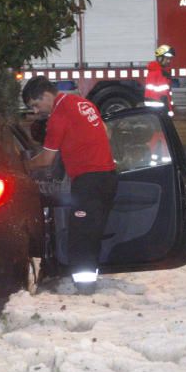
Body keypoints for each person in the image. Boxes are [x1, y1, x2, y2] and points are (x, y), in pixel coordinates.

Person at [22, 76, 117, 294]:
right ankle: (89, 284)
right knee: (93, 233)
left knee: (80, 237)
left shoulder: (59, 115)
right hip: (109, 178)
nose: (36, 112)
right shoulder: (83, 103)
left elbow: (46, 160)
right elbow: (106, 132)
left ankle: (84, 290)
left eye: (36, 105)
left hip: (88, 182)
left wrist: (23, 166)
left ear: (46, 95)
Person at [144, 44, 175, 116]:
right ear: (160, 58)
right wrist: (169, 110)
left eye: (170, 59)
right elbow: (165, 94)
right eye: (167, 58)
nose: (169, 61)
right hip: (160, 108)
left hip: (155, 108)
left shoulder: (154, 71)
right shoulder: (159, 73)